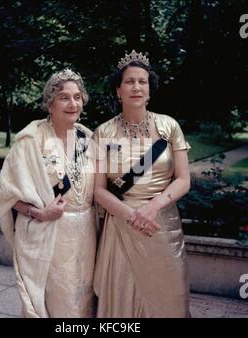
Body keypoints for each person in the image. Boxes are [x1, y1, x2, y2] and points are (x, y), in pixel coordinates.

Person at [93, 50, 191, 317]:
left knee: (170, 300)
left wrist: (153, 207)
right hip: (122, 224)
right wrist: (133, 214)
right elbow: (99, 190)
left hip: (162, 224)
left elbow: (183, 179)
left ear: (149, 89)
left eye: (142, 81)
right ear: (118, 90)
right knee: (122, 301)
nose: (136, 87)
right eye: (129, 81)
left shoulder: (169, 127)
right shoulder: (104, 132)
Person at [0, 69, 96, 318]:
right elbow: (8, 193)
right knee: (56, 304)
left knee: (85, 302)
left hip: (88, 236)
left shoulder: (89, 139)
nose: (72, 103)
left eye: (77, 97)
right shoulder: (31, 140)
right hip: (49, 237)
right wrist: (39, 212)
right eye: (64, 97)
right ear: (50, 103)